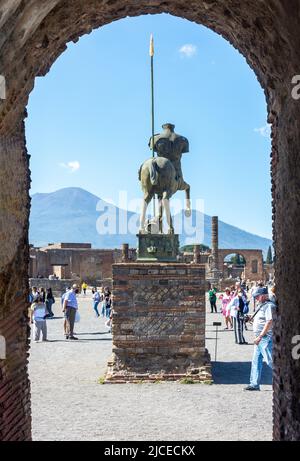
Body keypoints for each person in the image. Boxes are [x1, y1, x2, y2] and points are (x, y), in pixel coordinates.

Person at [244, 287, 276, 391]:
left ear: (263, 295)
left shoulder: (269, 306)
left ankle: (283, 378)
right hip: (259, 338)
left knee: (271, 361)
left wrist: (260, 336)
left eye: (257, 296)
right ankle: (254, 384)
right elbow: (262, 321)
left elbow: (270, 321)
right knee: (256, 361)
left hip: (265, 338)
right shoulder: (262, 305)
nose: (256, 298)